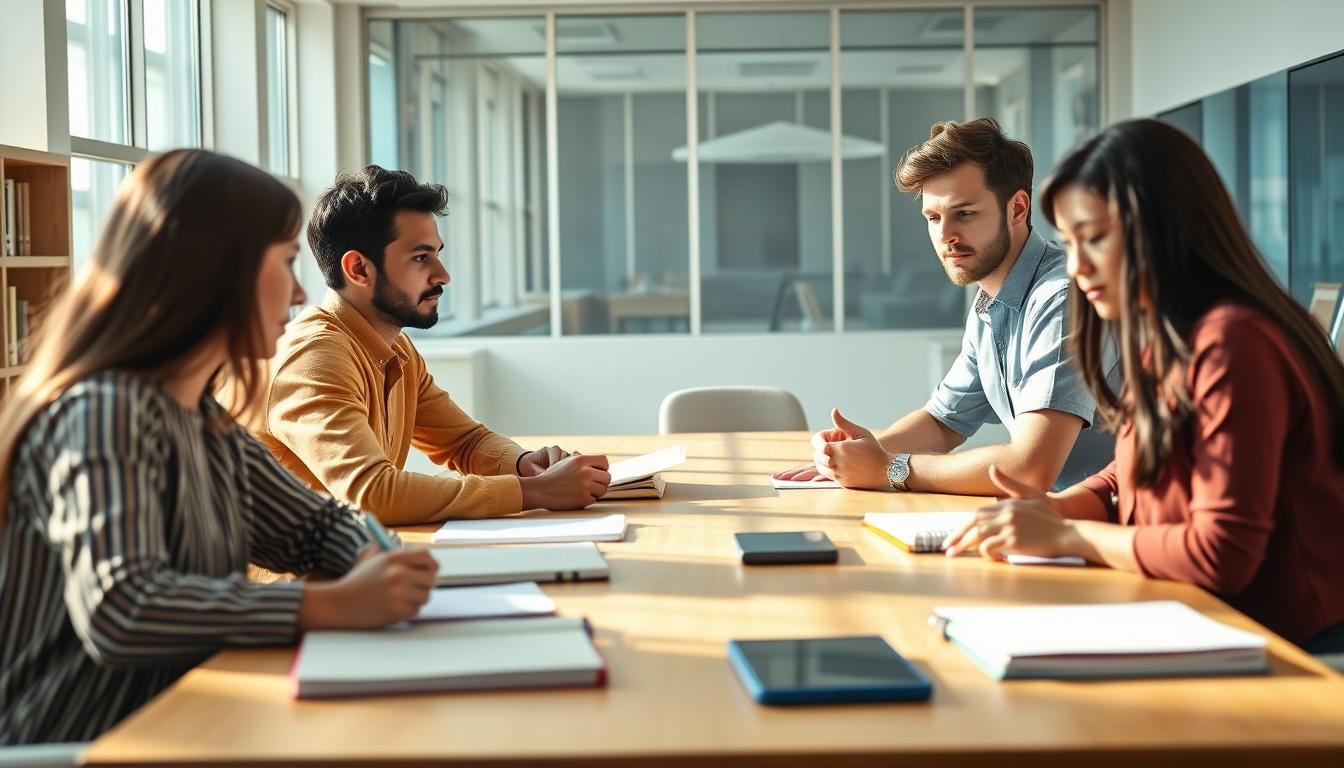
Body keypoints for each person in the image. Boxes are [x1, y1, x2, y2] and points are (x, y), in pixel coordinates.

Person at [0, 150, 438, 745]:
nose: (299, 295)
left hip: (178, 726)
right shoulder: (102, 411)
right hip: (79, 747)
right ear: (214, 273)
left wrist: (371, 557)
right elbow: (124, 608)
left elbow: (316, 525)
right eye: (285, 264)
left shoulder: (203, 421)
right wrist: (331, 607)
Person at [944, 119, 1344, 652]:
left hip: (1297, 651)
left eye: (1096, 239)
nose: (1078, 267)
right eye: (1070, 243)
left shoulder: (1233, 341)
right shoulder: (1169, 337)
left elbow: (1219, 554)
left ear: (1162, 226)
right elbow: (1131, 472)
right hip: (1206, 624)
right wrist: (1057, 510)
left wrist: (1068, 535)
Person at [775, 118, 1118, 495]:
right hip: (1059, 518)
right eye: (933, 218)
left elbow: (1031, 468)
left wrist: (890, 468)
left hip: (1117, 524)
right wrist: (859, 455)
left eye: (965, 213)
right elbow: (942, 423)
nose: (945, 236)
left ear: (1017, 208)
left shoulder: (1062, 297)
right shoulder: (990, 303)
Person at [254, 166, 610, 525]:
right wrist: (535, 492)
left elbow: (464, 442)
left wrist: (523, 464)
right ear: (359, 269)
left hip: (358, 563)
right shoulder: (313, 358)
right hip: (296, 579)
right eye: (421, 258)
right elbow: (372, 493)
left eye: (437, 254)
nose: (443, 275)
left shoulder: (395, 348)